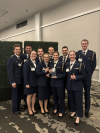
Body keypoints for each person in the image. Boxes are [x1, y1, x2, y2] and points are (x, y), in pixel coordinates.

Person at [76, 39, 96, 118]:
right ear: (81, 45)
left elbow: (93, 65)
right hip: (80, 77)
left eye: (85, 43)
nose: (84, 45)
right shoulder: (78, 53)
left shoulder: (92, 53)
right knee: (79, 93)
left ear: (87, 44)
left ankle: (87, 110)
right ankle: (79, 108)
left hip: (87, 77)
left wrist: (90, 73)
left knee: (87, 93)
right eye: (83, 44)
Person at [66, 51, 85, 126]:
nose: (72, 56)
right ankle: (73, 111)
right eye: (70, 55)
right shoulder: (67, 64)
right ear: (69, 56)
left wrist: (76, 77)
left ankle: (79, 116)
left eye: (73, 55)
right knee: (71, 100)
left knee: (78, 101)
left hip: (77, 86)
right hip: (69, 86)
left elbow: (83, 75)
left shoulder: (80, 64)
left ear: (75, 56)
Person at [7, 44, 23, 115]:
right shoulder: (11, 59)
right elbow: (10, 71)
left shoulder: (20, 58)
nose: (18, 50)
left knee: (19, 95)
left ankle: (18, 107)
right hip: (15, 81)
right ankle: (15, 109)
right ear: (14, 50)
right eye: (16, 49)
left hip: (20, 81)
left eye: (19, 49)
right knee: (15, 95)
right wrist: (12, 81)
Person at [49, 51, 66, 118]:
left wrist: (57, 77)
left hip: (60, 83)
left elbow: (64, 74)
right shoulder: (51, 63)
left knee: (61, 98)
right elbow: (51, 72)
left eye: (56, 55)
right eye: (54, 55)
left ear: (58, 56)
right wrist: (49, 73)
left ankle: (62, 110)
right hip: (53, 83)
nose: (55, 56)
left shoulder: (62, 63)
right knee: (54, 97)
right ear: (52, 56)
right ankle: (56, 108)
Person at [23, 51, 37, 116]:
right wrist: (26, 83)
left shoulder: (37, 62)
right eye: (32, 54)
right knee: (29, 96)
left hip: (35, 82)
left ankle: (33, 107)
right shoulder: (27, 63)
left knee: (34, 95)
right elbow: (25, 74)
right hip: (29, 82)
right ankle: (29, 109)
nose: (34, 55)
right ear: (30, 55)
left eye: (35, 54)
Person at [20, 44, 32, 110]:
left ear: (31, 49)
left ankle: (31, 104)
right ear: (25, 49)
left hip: (32, 76)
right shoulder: (22, 56)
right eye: (27, 48)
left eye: (29, 48)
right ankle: (26, 103)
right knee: (25, 90)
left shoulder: (33, 55)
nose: (28, 49)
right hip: (24, 76)